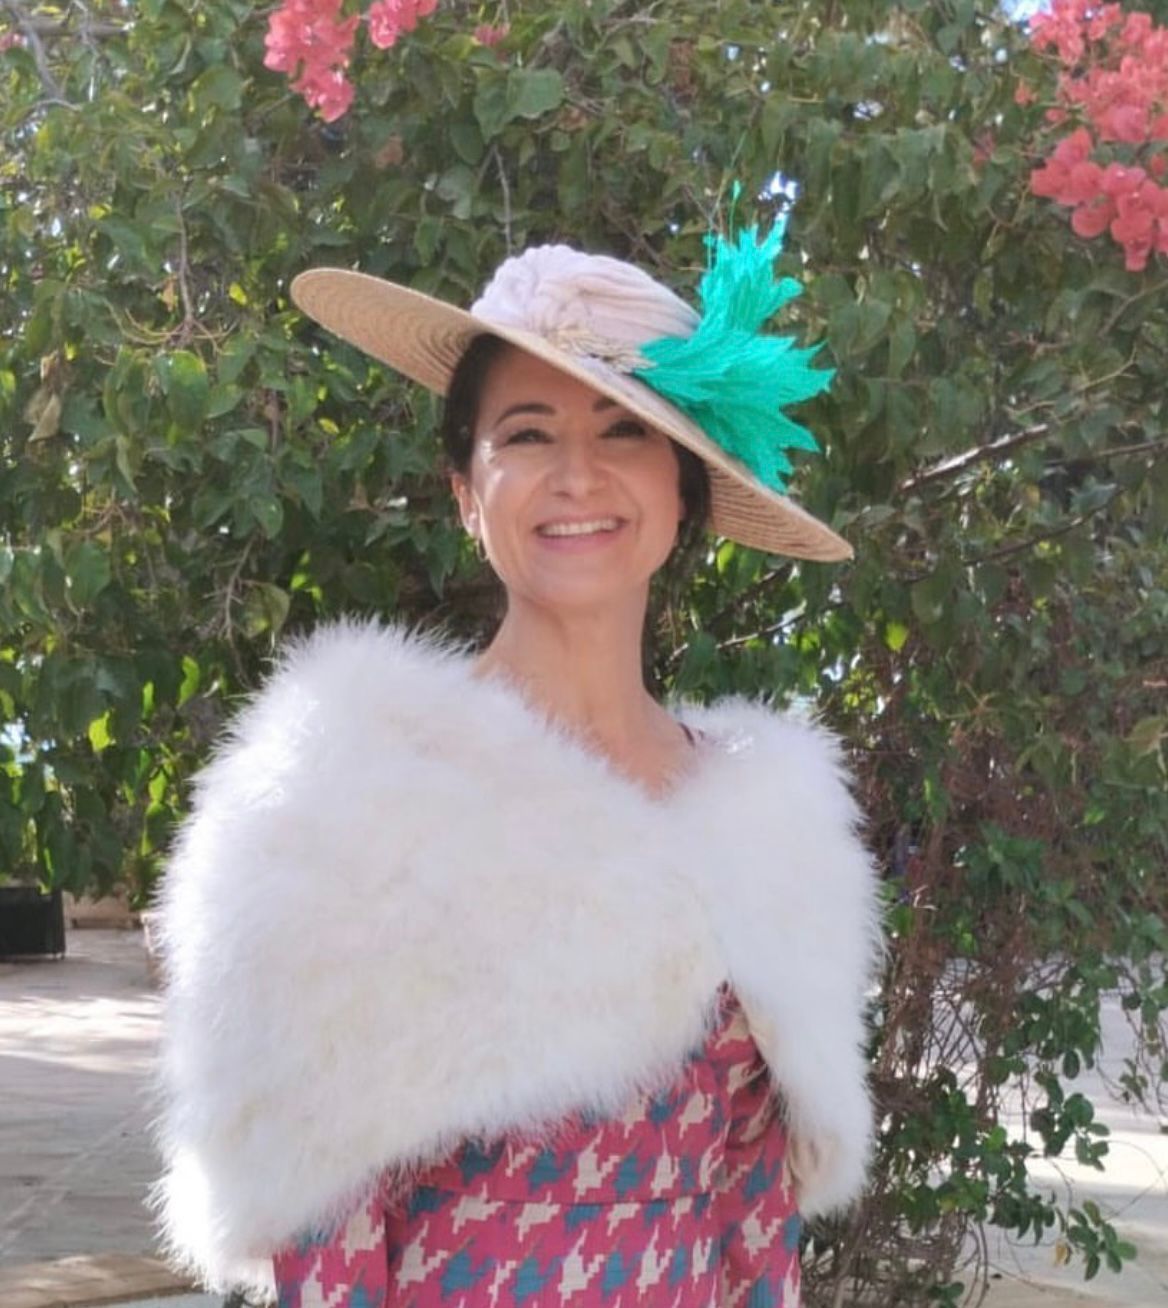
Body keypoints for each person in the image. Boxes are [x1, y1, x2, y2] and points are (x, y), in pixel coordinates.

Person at [152, 231, 879, 1307]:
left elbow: (750, 1214)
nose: (576, 476)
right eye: (526, 434)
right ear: (465, 491)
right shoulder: (350, 798)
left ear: (683, 494)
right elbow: (318, 1218)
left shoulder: (767, 818)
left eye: (624, 431)